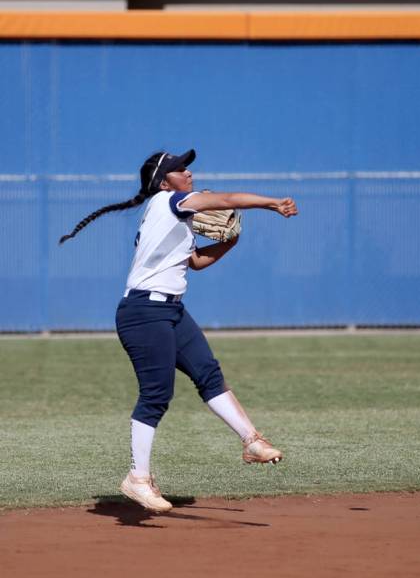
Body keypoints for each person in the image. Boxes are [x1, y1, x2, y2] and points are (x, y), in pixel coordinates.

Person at [59, 149, 298, 513]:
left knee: (208, 374)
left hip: (170, 310)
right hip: (144, 312)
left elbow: (197, 262)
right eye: (179, 169)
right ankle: (137, 478)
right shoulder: (169, 202)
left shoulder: (174, 216)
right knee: (156, 394)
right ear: (163, 181)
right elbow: (229, 199)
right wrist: (271, 203)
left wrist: (228, 242)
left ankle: (251, 440)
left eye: (187, 167)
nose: (188, 172)